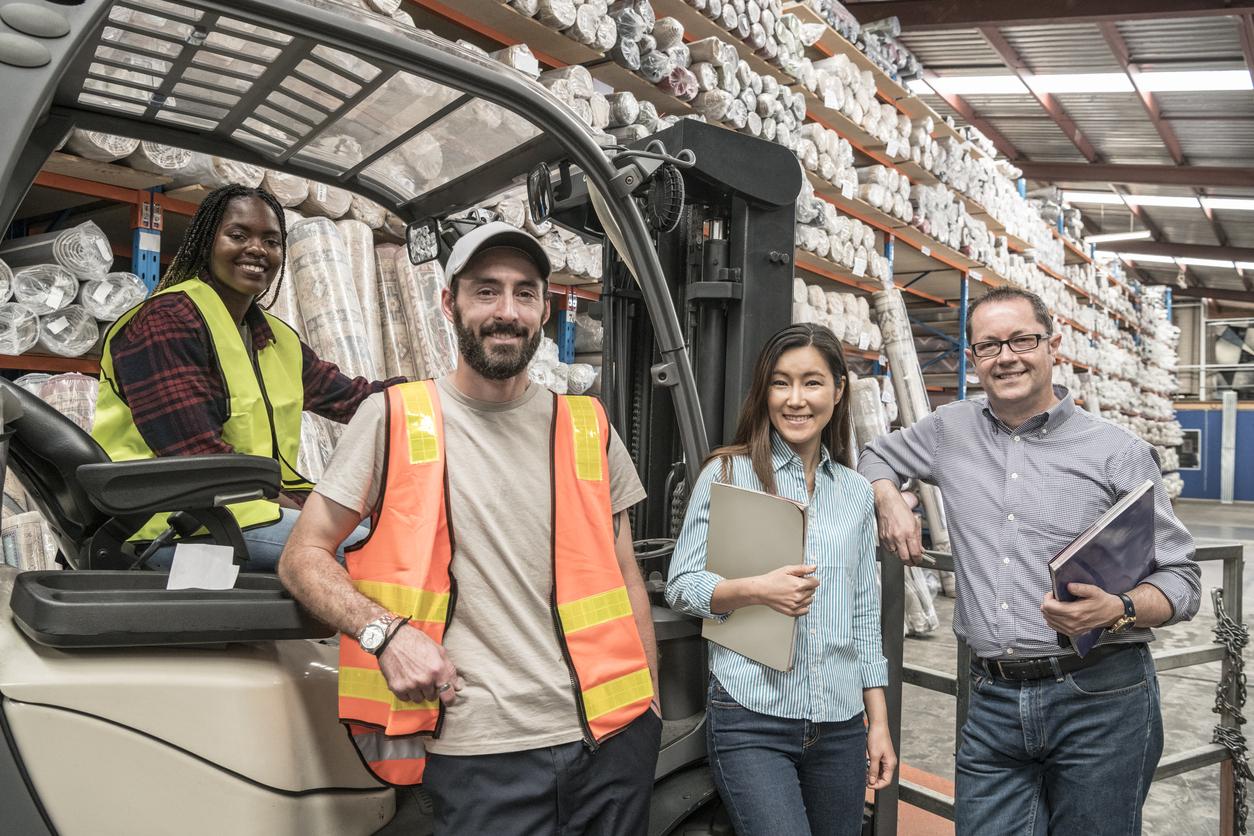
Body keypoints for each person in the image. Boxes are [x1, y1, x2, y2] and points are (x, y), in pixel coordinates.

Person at [277, 221, 661, 835]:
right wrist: (386, 635)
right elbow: (302, 556)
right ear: (448, 302)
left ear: (543, 308)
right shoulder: (394, 418)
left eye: (525, 292)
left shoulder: (588, 426)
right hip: (478, 751)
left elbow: (625, 577)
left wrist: (651, 709)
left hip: (611, 741)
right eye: (486, 291)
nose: (507, 311)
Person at [858, 286, 1200, 835]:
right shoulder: (950, 430)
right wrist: (888, 495)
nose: (1007, 356)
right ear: (974, 359)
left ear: (1053, 345)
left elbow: (1182, 578)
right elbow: (874, 452)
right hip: (992, 699)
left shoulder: (1118, 451)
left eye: (1022, 340)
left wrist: (1120, 608)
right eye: (990, 346)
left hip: (1101, 697)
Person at [92, 184, 399, 571]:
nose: (257, 249)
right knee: (388, 556)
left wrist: (437, 398)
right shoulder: (166, 321)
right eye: (238, 235)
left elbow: (353, 399)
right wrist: (311, 514)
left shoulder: (275, 337)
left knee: (409, 528)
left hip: (247, 511)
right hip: (178, 524)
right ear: (207, 243)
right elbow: (197, 459)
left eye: (271, 241)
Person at [666, 323, 896, 836]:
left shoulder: (856, 494)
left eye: (812, 383)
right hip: (753, 716)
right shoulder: (728, 474)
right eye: (780, 383)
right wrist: (754, 590)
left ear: (838, 392)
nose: (796, 400)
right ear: (763, 392)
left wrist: (876, 724)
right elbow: (682, 584)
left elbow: (863, 616)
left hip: (839, 723)